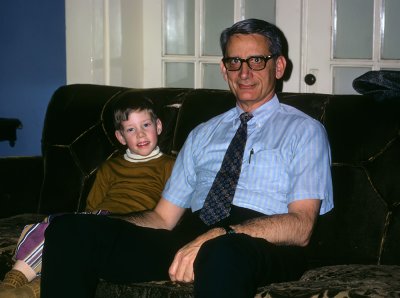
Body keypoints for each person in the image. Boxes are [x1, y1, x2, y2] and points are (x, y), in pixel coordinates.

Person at [41, 18, 333, 298]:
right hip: (196, 234)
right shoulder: (203, 133)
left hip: (264, 245)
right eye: (234, 62)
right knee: (69, 231)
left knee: (221, 251)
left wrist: (223, 234)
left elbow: (302, 225)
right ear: (224, 69)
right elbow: (162, 217)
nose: (244, 73)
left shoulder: (305, 131)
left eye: (256, 60)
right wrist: (101, 222)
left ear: (278, 66)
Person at [0, 94, 175, 298]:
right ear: (120, 137)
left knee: (64, 230)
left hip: (133, 224)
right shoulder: (110, 167)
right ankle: (12, 283)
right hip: (100, 218)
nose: (140, 134)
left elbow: (169, 208)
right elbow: (91, 205)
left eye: (146, 125)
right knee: (53, 225)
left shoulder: (170, 166)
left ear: (159, 126)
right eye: (131, 129)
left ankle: (19, 288)